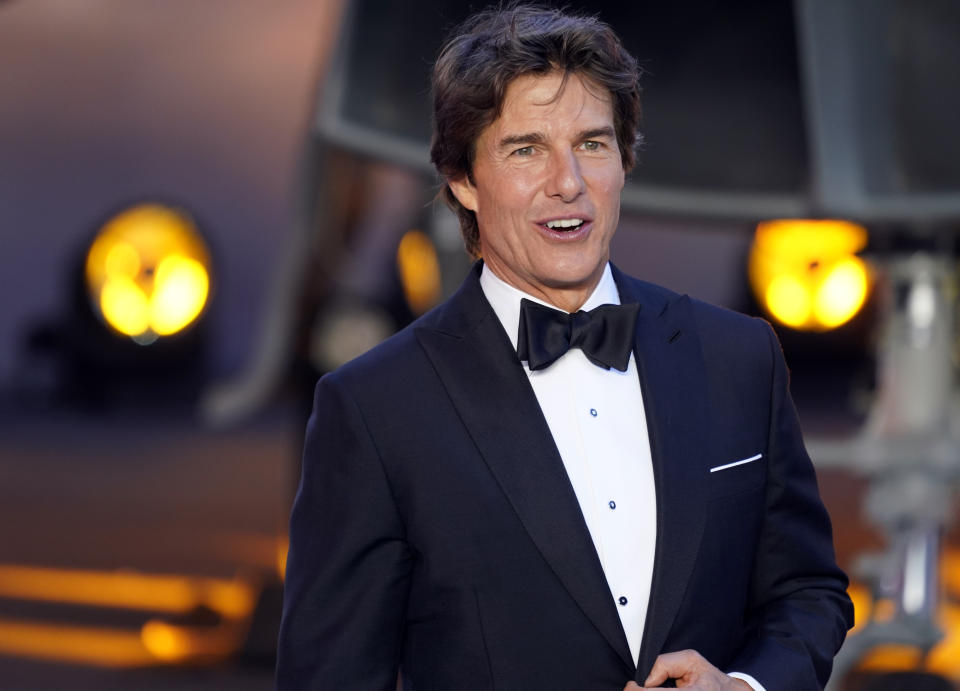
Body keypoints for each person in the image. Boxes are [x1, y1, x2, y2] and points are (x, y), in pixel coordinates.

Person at [276, 5, 853, 690]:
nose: (568, 183)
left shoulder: (738, 357)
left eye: (592, 144)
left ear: (626, 160)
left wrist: (747, 686)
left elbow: (809, 591)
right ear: (462, 178)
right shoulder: (375, 409)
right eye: (526, 150)